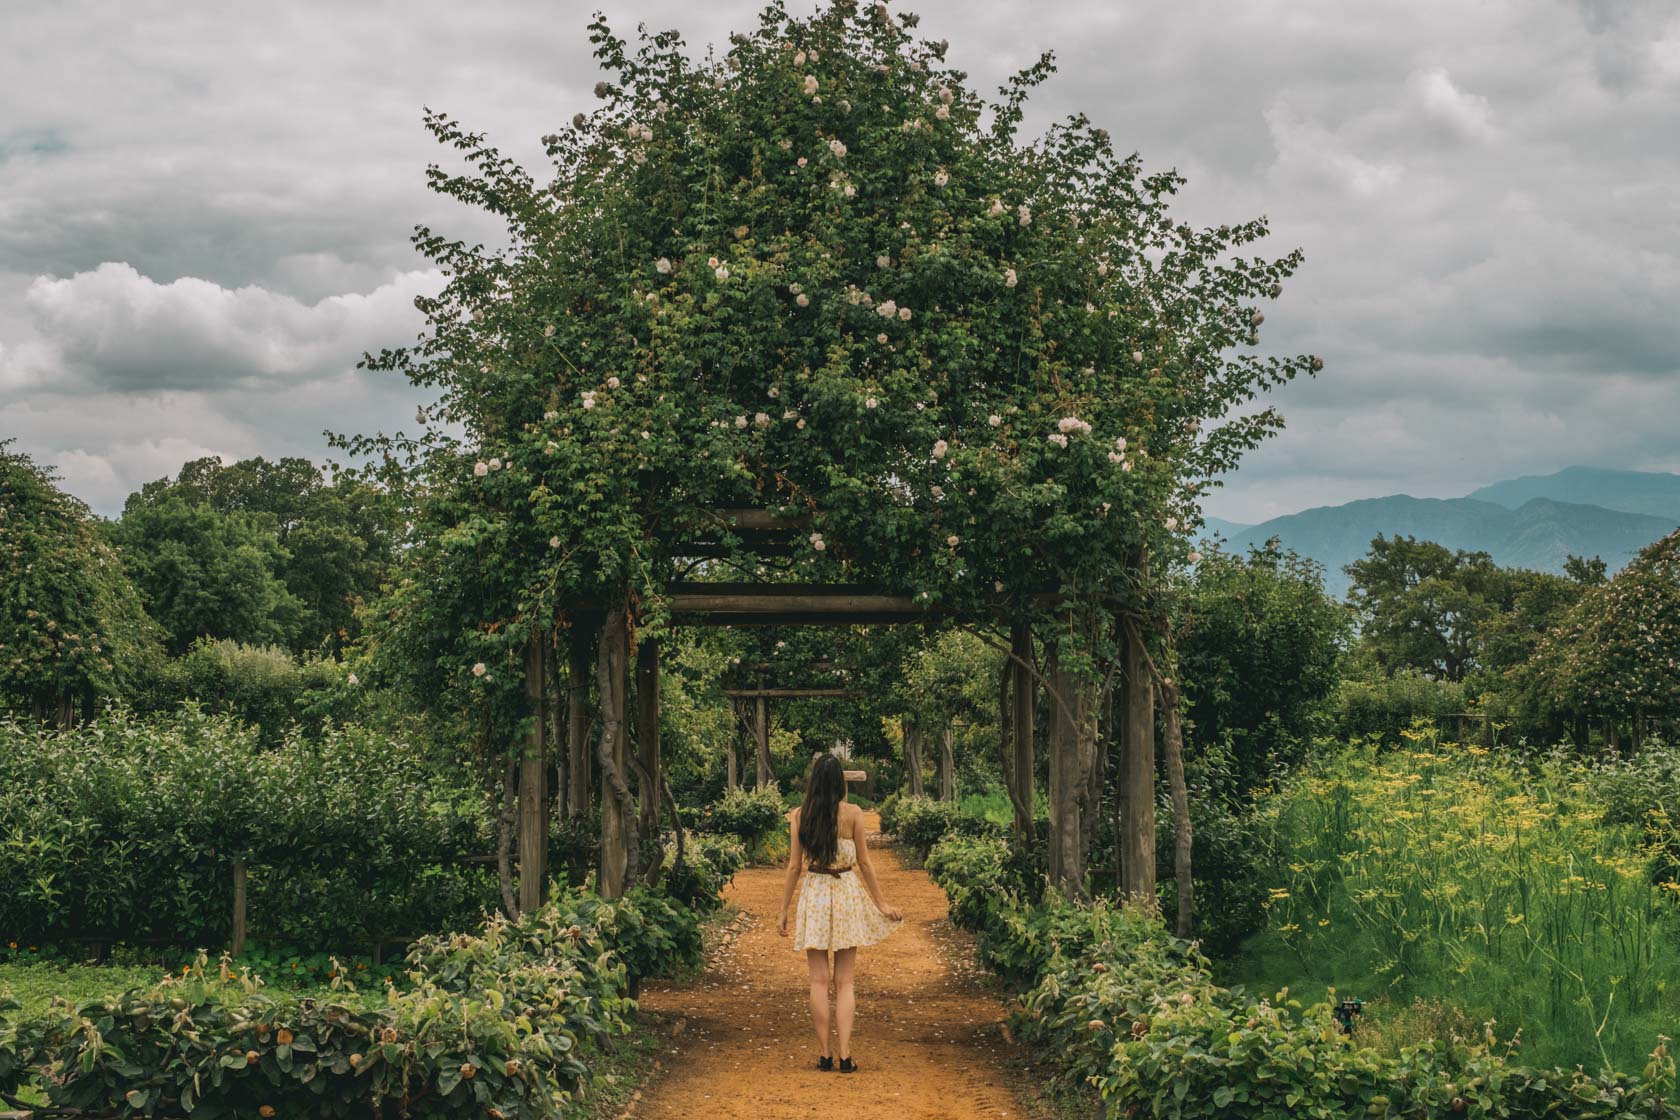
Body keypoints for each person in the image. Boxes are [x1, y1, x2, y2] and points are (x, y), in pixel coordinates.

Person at [777, 752, 902, 1072]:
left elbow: (793, 867)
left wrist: (783, 910)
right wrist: (881, 903)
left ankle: (824, 1055)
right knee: (845, 982)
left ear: (813, 782)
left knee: (818, 981)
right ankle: (845, 1056)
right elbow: (865, 863)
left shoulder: (799, 816)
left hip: (815, 894)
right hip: (845, 892)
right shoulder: (854, 814)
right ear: (839, 783)